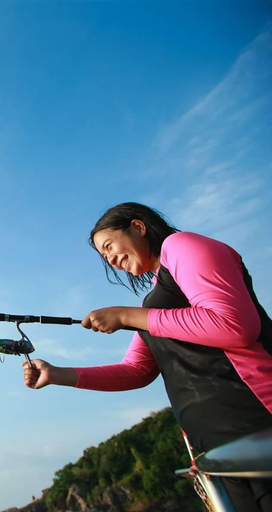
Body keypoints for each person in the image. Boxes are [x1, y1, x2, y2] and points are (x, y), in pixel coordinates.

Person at [22, 202, 272, 512]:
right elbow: (137, 370)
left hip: (258, 424)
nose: (111, 259)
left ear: (138, 227)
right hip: (216, 449)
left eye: (109, 245)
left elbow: (234, 326)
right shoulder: (153, 301)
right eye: (104, 256)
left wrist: (129, 316)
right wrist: (56, 374)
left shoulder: (182, 245)